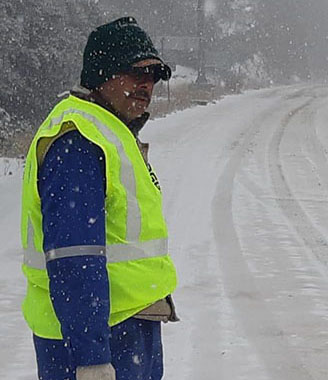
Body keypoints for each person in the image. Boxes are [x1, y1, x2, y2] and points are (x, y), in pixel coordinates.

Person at [20, 17, 178, 380]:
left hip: (124, 326)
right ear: (102, 74)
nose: (146, 85)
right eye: (134, 73)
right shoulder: (79, 140)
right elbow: (74, 254)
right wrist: (91, 358)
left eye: (153, 76)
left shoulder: (108, 130)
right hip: (96, 337)